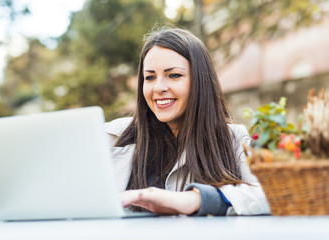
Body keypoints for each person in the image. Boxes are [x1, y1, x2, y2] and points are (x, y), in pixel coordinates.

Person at [104, 27, 270, 216]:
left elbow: (271, 195)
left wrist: (197, 199)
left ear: (199, 81)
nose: (158, 87)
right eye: (150, 77)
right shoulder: (111, 136)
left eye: (174, 75)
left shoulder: (233, 139)